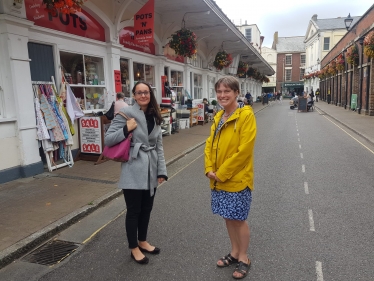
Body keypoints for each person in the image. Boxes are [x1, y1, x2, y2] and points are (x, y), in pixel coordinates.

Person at [104, 81, 167, 265]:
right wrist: (126, 129)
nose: (143, 95)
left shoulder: (155, 114)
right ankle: (133, 248)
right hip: (133, 168)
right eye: (139, 92)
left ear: (150, 94)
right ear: (133, 94)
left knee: (147, 209)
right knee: (134, 211)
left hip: (151, 169)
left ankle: (143, 241)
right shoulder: (126, 114)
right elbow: (108, 140)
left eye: (146, 92)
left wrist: (161, 171)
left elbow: (159, 146)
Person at [204, 76, 256, 280]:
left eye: (227, 91)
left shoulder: (246, 116)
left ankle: (244, 257)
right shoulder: (218, 116)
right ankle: (234, 252)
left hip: (236, 179)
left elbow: (244, 151)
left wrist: (221, 173)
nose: (222, 95)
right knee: (228, 216)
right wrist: (209, 168)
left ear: (236, 93)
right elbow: (209, 145)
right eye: (219, 91)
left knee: (239, 219)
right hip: (218, 179)